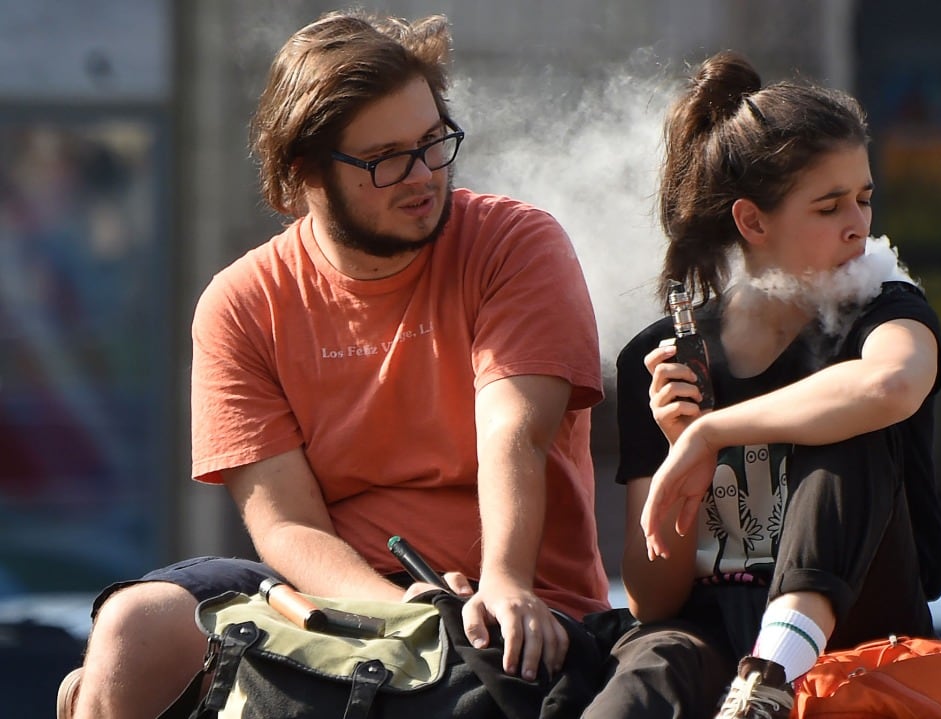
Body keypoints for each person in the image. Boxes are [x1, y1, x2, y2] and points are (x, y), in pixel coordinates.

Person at [57, 11, 610, 718]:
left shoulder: (515, 243)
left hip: (513, 611)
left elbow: (515, 432)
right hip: (336, 602)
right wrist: (397, 608)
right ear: (304, 174)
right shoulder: (240, 303)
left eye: (434, 142)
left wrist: (501, 578)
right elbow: (288, 524)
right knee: (132, 628)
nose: (422, 176)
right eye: (386, 158)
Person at [582, 51, 941, 719]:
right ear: (753, 222)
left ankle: (774, 671)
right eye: (829, 206)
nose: (859, 226)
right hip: (715, 634)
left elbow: (891, 384)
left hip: (861, 636)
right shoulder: (666, 358)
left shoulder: (884, 309)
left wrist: (714, 432)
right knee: (653, 663)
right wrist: (677, 450)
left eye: (865, 199)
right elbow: (650, 598)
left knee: (846, 412)